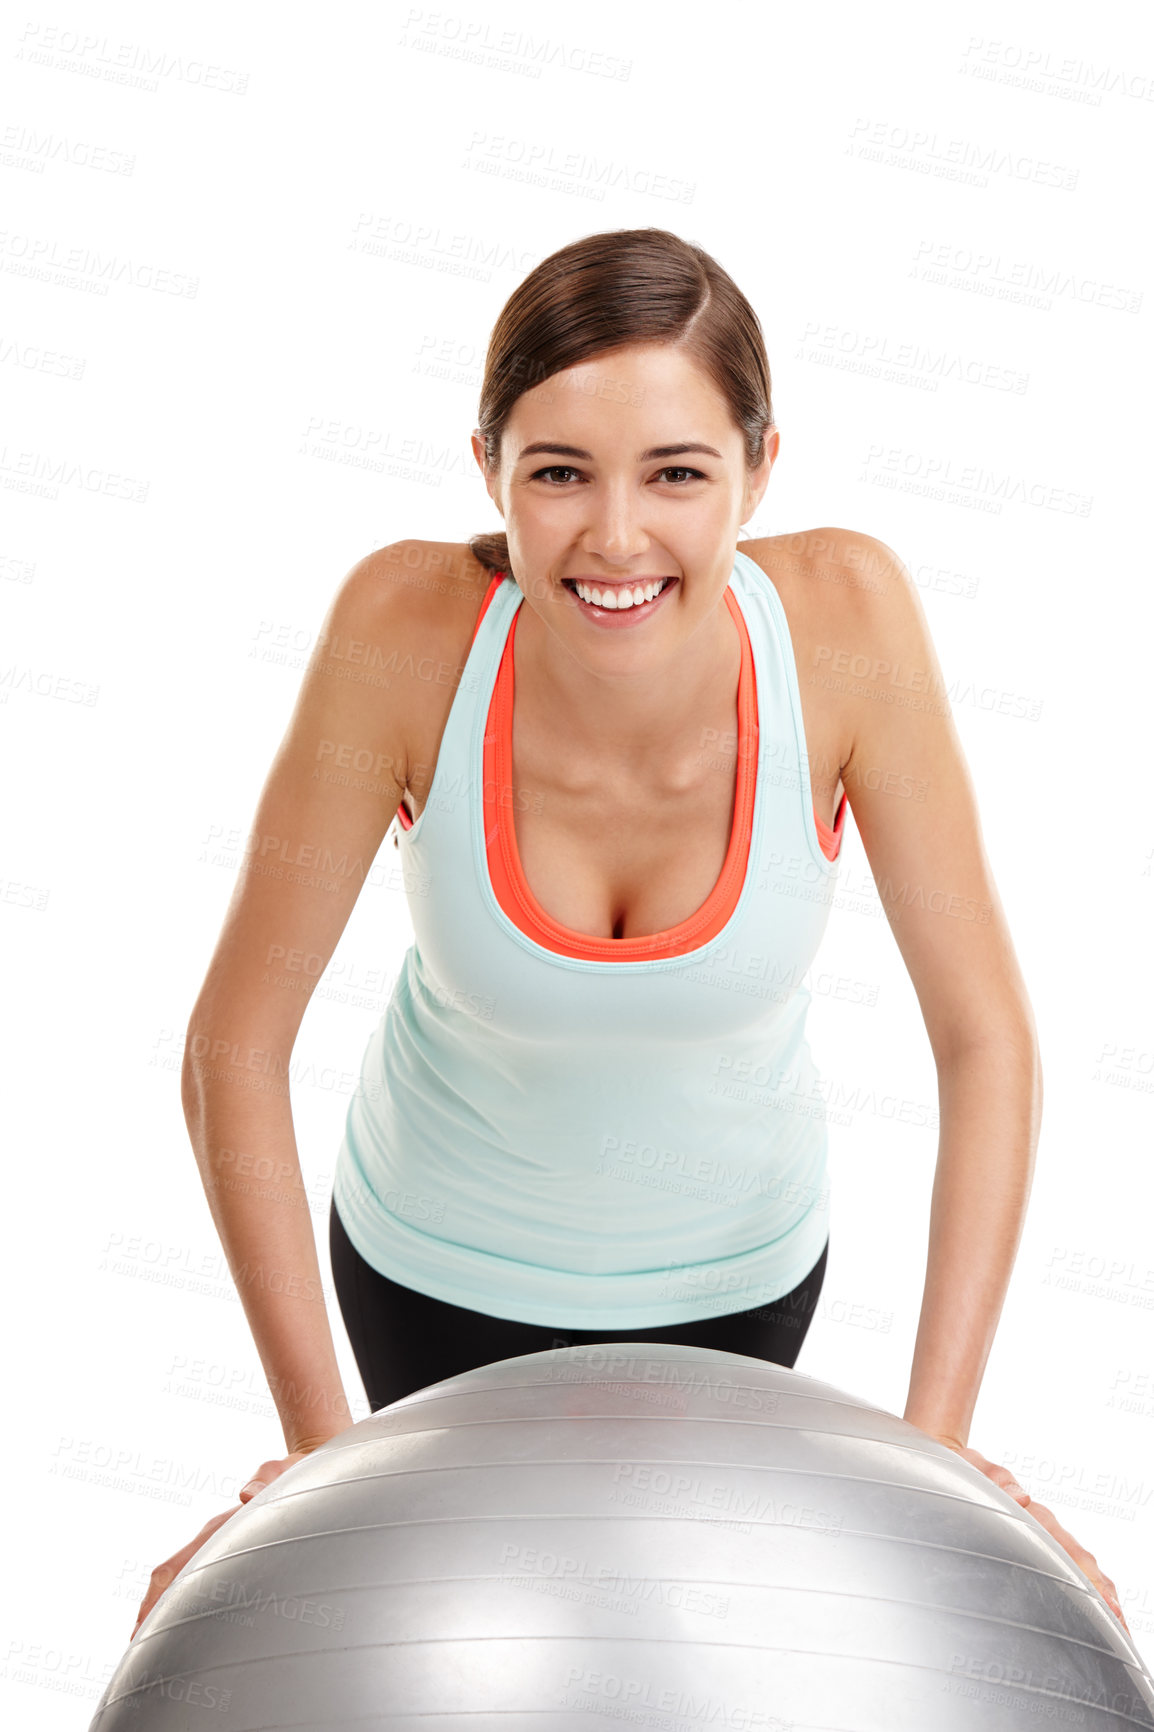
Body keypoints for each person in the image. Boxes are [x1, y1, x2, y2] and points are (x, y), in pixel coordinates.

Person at [133, 228, 1126, 1638]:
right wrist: (316, 1460)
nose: (612, 537)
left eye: (674, 472)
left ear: (760, 466)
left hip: (735, 1291)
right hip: (429, 1278)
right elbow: (232, 1047)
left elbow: (985, 1045)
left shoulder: (846, 624)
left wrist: (937, 1457)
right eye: (557, 474)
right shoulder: (404, 630)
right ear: (486, 465)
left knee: (674, 1660)